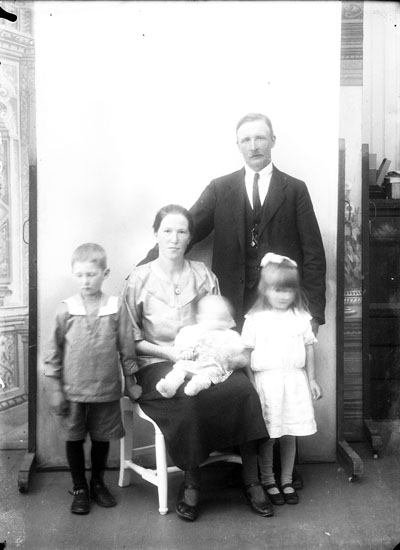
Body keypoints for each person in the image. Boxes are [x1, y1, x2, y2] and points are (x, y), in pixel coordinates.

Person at [123, 204, 273, 521]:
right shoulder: (138, 279)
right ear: (155, 234)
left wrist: (225, 356)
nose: (174, 239)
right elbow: (130, 339)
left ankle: (252, 479)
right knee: (187, 399)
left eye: (181, 231)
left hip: (208, 359)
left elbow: (221, 326)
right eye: (167, 231)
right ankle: (192, 484)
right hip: (157, 363)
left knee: (244, 390)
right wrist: (171, 354)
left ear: (190, 236)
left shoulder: (203, 275)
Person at [44, 243, 141, 515]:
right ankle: (79, 488)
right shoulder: (66, 309)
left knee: (101, 438)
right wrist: (56, 389)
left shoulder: (115, 307)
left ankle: (97, 483)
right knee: (74, 438)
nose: (85, 281)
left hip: (106, 390)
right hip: (73, 391)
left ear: (104, 273)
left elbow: (126, 347)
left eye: (91, 274)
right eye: (80, 275)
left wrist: (131, 381)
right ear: (73, 275)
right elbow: (52, 352)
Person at [241, 253, 322, 506]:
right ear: (265, 290)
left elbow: (309, 347)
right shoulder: (255, 319)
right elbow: (246, 354)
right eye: (277, 289)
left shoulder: (300, 317)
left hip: (294, 382)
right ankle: (268, 480)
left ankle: (286, 479)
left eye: (288, 290)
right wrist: (251, 384)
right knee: (270, 435)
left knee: (290, 434)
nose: (283, 296)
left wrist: (312, 379)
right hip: (267, 383)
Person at [156, 294, 248, 398]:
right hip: (191, 363)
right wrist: (185, 351)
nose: (218, 323)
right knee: (179, 369)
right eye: (212, 317)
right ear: (200, 318)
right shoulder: (193, 331)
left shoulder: (229, 335)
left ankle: (197, 385)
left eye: (223, 318)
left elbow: (239, 353)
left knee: (208, 375)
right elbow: (181, 343)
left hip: (212, 367)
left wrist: (234, 360)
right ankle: (169, 385)